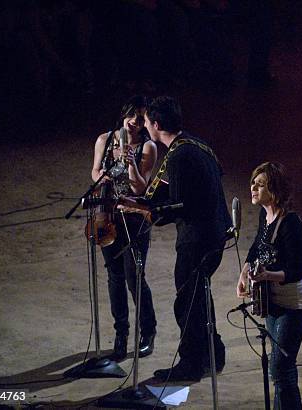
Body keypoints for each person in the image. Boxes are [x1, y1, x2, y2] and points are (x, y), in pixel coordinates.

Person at [138, 95, 231, 381]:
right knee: (200, 295)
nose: (144, 128)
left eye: (146, 123)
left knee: (187, 301)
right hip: (216, 233)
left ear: (155, 124)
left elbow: (180, 205)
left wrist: (148, 211)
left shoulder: (179, 156)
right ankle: (213, 355)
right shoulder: (196, 144)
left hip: (197, 239)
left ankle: (191, 364)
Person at [236, 162, 302, 410]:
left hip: (295, 306)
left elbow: (295, 271)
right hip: (274, 303)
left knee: (280, 368)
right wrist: (243, 273)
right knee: (282, 369)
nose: (253, 188)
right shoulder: (265, 215)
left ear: (276, 190)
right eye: (253, 183)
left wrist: (266, 275)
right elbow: (256, 248)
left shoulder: (292, 224)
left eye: (260, 185)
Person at [90, 95, 158, 360]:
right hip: (106, 214)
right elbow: (95, 172)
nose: (135, 122)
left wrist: (130, 163)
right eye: (133, 115)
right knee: (114, 276)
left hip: (134, 218)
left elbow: (140, 187)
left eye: (141, 118)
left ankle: (148, 331)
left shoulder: (148, 147)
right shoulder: (104, 140)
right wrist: (102, 177)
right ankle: (121, 333)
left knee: (134, 277)